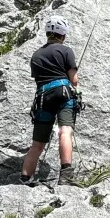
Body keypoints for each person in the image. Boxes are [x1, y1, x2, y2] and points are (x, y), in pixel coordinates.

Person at [21, 14, 80, 185]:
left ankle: (25, 178)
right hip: (63, 94)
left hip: (42, 98)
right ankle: (66, 175)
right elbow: (74, 80)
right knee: (65, 131)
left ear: (47, 34)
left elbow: (39, 78)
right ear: (63, 35)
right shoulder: (66, 51)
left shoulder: (36, 55)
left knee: (38, 143)